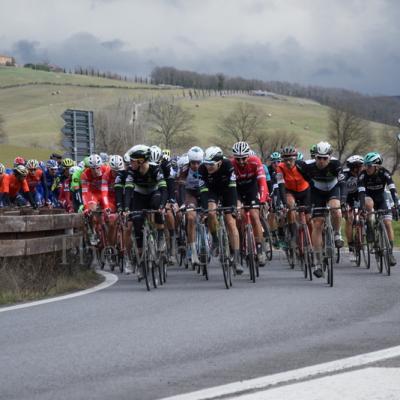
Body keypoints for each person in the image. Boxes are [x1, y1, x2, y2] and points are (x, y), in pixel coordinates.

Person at [296, 141, 345, 278]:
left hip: (332, 189)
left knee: (335, 208)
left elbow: (342, 183)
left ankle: (337, 234)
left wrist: (344, 200)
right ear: (315, 157)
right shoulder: (307, 165)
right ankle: (317, 261)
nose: (322, 161)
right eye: (319, 158)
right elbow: (304, 183)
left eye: (325, 158)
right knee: (317, 223)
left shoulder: (336, 164)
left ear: (330, 157)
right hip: (316, 192)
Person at [124, 145, 167, 275]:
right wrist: (126, 208)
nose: (130, 163)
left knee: (156, 206)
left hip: (154, 193)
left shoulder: (155, 169)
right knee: (137, 223)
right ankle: (142, 261)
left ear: (141, 161)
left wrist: (162, 206)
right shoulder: (132, 171)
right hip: (139, 195)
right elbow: (129, 190)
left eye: (132, 161)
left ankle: (159, 235)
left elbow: (164, 189)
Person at [198, 146, 243, 274]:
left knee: (231, 222)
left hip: (228, 190)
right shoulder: (202, 169)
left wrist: (233, 207)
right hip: (212, 191)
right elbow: (203, 191)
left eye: (211, 164)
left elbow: (233, 187)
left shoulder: (228, 165)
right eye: (206, 164)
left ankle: (237, 258)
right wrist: (206, 208)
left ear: (219, 162)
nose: (208, 167)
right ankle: (216, 240)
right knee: (211, 212)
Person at [231, 141, 269, 266]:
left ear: (248, 156)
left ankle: (259, 249)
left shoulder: (255, 161)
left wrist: (262, 200)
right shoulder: (231, 165)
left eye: (243, 158)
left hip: (252, 189)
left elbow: (262, 182)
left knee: (254, 215)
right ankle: (241, 242)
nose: (241, 161)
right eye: (238, 159)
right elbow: (229, 188)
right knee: (239, 215)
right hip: (237, 191)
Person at [358, 152, 398, 266]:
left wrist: (396, 204)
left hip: (381, 198)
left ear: (377, 165)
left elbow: (392, 189)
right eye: (365, 165)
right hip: (368, 197)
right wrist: (362, 206)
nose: (367, 168)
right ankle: (370, 228)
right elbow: (361, 192)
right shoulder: (363, 175)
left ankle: (390, 253)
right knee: (369, 204)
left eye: (369, 165)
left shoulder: (384, 173)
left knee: (387, 223)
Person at [276, 146, 311, 245]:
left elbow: (311, 181)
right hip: (290, 191)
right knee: (290, 206)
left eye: (290, 160)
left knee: (309, 218)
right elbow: (281, 185)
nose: (288, 162)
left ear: (295, 158)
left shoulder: (301, 165)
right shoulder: (280, 168)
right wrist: (284, 203)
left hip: (305, 191)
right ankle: (293, 235)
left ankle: (312, 241)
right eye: (285, 160)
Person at [176, 146, 204, 265]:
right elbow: (179, 188)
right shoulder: (184, 170)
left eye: (198, 163)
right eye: (193, 163)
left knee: (209, 215)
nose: (196, 165)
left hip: (203, 192)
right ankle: (192, 251)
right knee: (191, 217)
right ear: (189, 161)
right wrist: (182, 204)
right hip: (190, 194)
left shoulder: (206, 168)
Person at [341, 155, 364, 262]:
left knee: (365, 214)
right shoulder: (345, 174)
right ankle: (351, 248)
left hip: (360, 196)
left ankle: (364, 231)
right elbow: (343, 189)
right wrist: (343, 203)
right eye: (357, 166)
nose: (360, 168)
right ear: (352, 167)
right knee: (349, 219)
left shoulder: (363, 174)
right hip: (347, 197)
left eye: (361, 166)